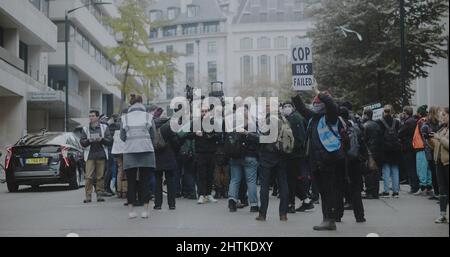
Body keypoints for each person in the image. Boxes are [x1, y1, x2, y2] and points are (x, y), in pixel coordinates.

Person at [292, 91, 343, 230]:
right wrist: (295, 96)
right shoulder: (314, 118)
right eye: (314, 104)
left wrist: (319, 93)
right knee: (322, 192)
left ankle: (330, 219)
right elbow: (302, 109)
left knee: (328, 191)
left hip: (327, 159)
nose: (315, 106)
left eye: (317, 104)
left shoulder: (330, 117)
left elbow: (332, 105)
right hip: (316, 161)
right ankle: (326, 219)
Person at [120, 94, 155, 219]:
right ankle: (145, 211)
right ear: (142, 103)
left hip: (130, 152)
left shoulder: (125, 118)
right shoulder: (148, 116)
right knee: (145, 182)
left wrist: (131, 142)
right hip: (146, 151)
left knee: (131, 183)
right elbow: (153, 135)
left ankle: (131, 212)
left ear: (131, 104)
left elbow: (122, 137)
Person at [255, 103, 289, 222]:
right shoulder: (284, 119)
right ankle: (283, 214)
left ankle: (262, 214)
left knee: (264, 186)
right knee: (283, 185)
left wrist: (248, 135)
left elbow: (263, 138)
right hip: (282, 156)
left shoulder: (269, 120)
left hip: (268, 157)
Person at [335, 106, 366, 223]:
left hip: (341, 162)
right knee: (356, 190)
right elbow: (362, 144)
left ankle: (337, 215)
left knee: (338, 189)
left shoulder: (337, 128)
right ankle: (360, 216)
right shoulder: (355, 128)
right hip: (355, 161)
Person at [281, 102, 314, 213]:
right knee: (293, 179)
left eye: (288, 106)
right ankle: (306, 201)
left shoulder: (295, 118)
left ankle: (291, 204)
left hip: (294, 155)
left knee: (290, 180)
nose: (286, 108)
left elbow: (299, 138)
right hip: (293, 154)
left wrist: (289, 148)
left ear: (293, 107)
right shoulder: (291, 118)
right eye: (284, 107)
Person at [227, 106, 259, 213]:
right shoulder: (252, 124)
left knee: (234, 179)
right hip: (250, 155)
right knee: (251, 181)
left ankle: (232, 202)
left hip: (234, 155)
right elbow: (259, 138)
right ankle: (254, 205)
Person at [80, 110, 112, 203]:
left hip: (101, 154)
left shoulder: (104, 127)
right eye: (90, 116)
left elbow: (110, 141)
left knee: (100, 176)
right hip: (89, 155)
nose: (91, 117)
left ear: (97, 117)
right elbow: (82, 142)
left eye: (93, 116)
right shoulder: (85, 129)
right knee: (89, 177)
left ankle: (99, 195)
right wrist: (89, 140)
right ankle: (88, 196)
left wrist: (101, 139)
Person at [153, 114, 179, 210]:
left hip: (156, 158)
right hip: (169, 156)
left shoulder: (152, 128)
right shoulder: (168, 128)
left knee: (157, 181)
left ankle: (158, 204)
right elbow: (176, 141)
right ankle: (171, 204)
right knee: (170, 181)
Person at [194, 106, 219, 204]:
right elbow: (188, 134)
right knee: (201, 175)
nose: (204, 113)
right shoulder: (196, 122)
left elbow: (217, 133)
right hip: (200, 152)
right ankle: (201, 195)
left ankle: (208, 194)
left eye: (206, 111)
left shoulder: (213, 121)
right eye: (202, 111)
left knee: (210, 174)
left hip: (211, 152)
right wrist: (195, 133)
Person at [377, 105, 402, 198]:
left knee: (386, 170)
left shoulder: (380, 122)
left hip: (385, 148)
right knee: (395, 170)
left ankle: (386, 191)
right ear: (392, 111)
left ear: (383, 111)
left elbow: (379, 136)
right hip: (395, 149)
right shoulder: (397, 122)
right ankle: (395, 192)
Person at [430, 107, 449, 223]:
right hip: (439, 163)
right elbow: (436, 146)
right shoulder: (442, 129)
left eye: (444, 115)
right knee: (442, 190)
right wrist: (429, 140)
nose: (442, 117)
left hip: (447, 163)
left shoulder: (442, 132)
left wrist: (439, 138)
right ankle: (442, 215)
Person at [361, 108, 383, 199]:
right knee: (376, 172)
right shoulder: (377, 125)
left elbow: (363, 140)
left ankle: (369, 191)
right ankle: (375, 192)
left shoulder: (365, 126)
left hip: (369, 152)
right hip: (377, 151)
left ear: (365, 115)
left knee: (368, 172)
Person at [399, 106, 420, 193]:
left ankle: (414, 187)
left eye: (403, 112)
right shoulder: (414, 121)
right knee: (414, 167)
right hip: (413, 146)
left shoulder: (407, 122)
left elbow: (400, 133)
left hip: (408, 147)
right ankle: (416, 185)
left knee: (410, 168)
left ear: (405, 113)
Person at [413, 105, 433, 195]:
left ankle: (423, 188)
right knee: (428, 169)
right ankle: (429, 187)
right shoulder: (428, 121)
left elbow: (422, 135)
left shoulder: (421, 121)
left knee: (421, 168)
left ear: (420, 113)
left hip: (421, 148)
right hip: (428, 148)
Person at [423, 107, 441, 200]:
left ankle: (437, 192)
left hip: (430, 150)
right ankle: (438, 192)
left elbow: (424, 136)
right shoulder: (439, 123)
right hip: (437, 149)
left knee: (434, 172)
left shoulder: (426, 124)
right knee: (436, 172)